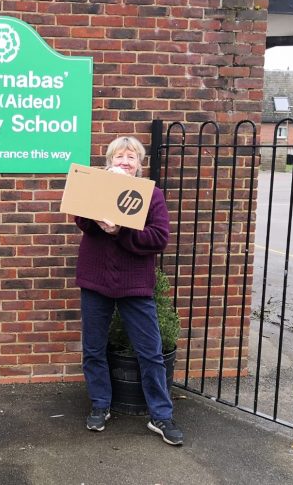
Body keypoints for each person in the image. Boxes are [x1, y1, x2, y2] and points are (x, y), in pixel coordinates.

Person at [74, 136, 184, 446]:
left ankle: (160, 415)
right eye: (119, 156)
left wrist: (120, 230)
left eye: (131, 157)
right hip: (96, 279)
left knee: (150, 352)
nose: (125, 161)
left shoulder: (152, 195)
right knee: (93, 348)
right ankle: (100, 405)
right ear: (109, 161)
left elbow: (158, 238)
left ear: (139, 164)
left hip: (135, 284)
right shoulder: (97, 186)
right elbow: (82, 221)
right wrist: (100, 204)